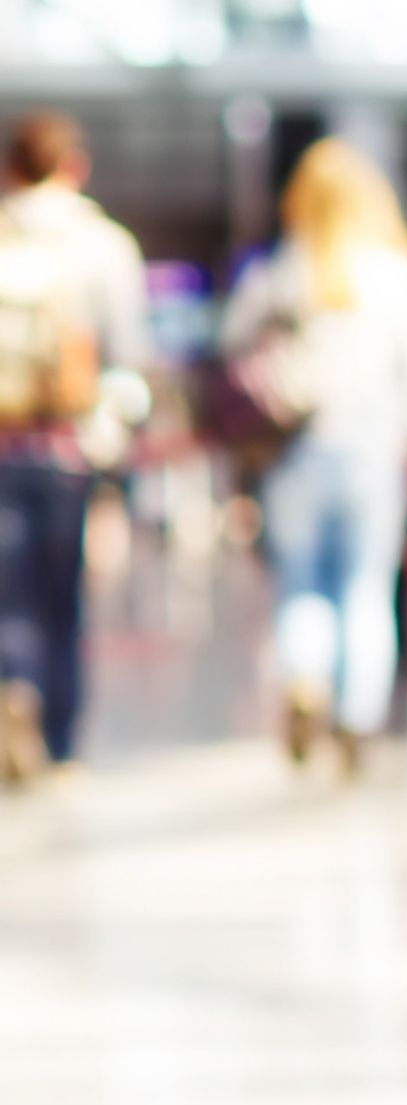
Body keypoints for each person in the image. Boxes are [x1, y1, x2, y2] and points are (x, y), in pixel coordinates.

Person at [219, 139, 407, 778]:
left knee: (301, 583)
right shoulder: (397, 275)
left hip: (293, 453)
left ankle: (304, 678)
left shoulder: (277, 271)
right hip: (371, 454)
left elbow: (229, 349)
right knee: (366, 589)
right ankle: (356, 717)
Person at [0, 112, 147, 786]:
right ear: (74, 167)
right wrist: (112, 443)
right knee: (62, 600)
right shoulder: (104, 247)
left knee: (8, 595)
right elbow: (127, 361)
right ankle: (59, 741)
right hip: (68, 453)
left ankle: (13, 692)